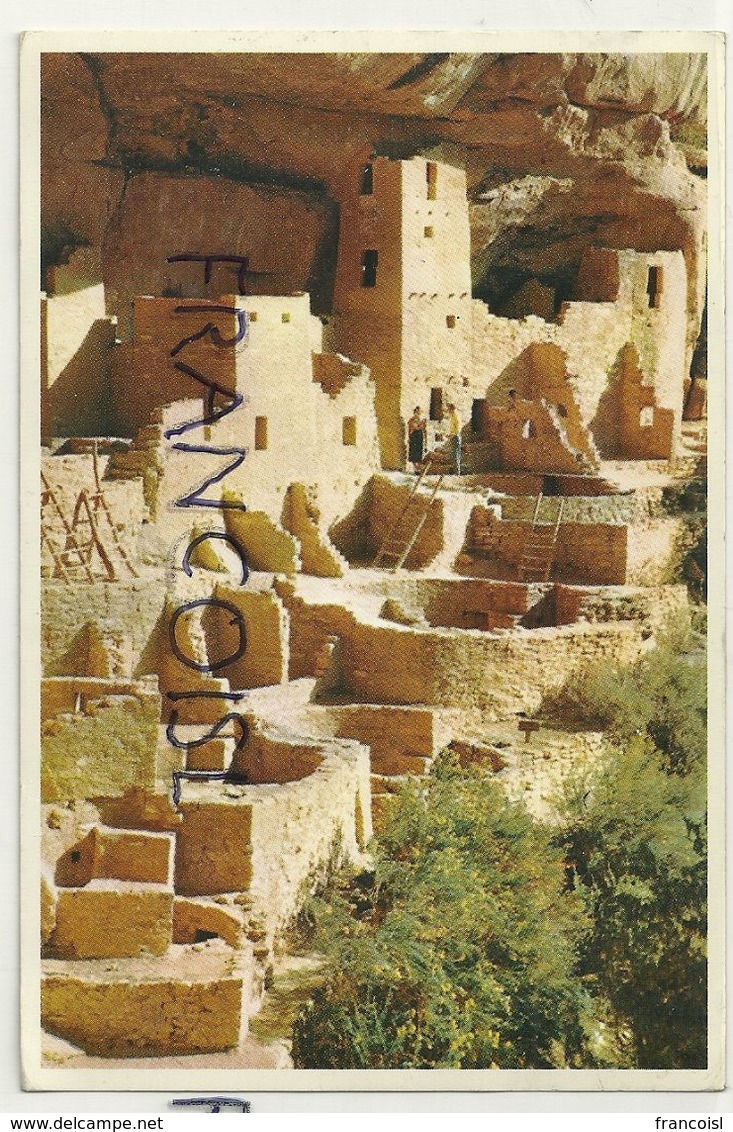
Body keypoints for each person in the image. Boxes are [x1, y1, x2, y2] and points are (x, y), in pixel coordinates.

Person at [407, 406, 427, 471]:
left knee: (419, 453)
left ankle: (419, 468)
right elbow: (412, 428)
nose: (418, 414)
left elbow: (424, 430)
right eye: (417, 412)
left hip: (419, 438)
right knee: (413, 453)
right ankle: (416, 468)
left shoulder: (421, 420)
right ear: (415, 412)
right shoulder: (412, 420)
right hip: (414, 437)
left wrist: (425, 440)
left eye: (419, 413)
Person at [446, 402, 462, 474]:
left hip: (455, 437)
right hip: (454, 436)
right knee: (454, 454)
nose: (448, 410)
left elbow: (457, 430)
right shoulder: (453, 416)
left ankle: (457, 472)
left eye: (449, 408)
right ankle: (456, 471)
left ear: (451, 409)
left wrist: (451, 435)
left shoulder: (455, 416)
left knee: (456, 455)